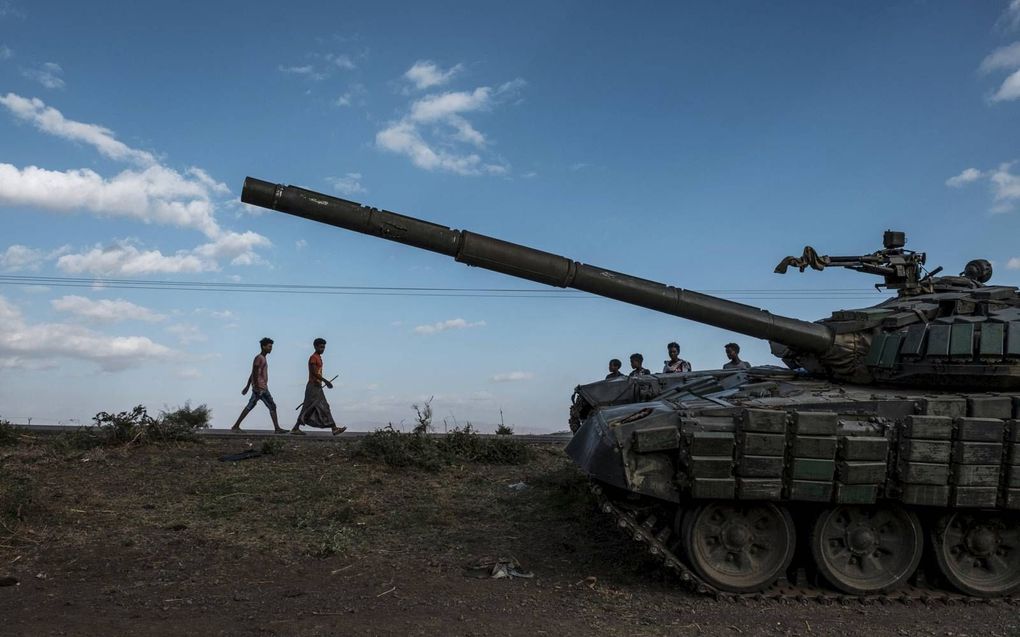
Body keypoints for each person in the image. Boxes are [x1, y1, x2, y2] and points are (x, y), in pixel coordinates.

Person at [292, 337, 346, 436]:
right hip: (313, 387)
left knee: (319, 407)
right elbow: (313, 373)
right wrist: (326, 381)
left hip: (317, 387)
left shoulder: (319, 358)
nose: (323, 349)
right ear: (315, 346)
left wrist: (322, 382)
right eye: (321, 347)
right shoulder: (313, 358)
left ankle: (333, 428)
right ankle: (333, 428)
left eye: (324, 347)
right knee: (310, 407)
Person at [232, 337, 285, 433]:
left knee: (253, 405)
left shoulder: (262, 358)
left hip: (261, 387)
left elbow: (253, 373)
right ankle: (277, 429)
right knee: (271, 406)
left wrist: (248, 386)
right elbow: (255, 372)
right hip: (261, 388)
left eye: (271, 347)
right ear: (263, 346)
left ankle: (236, 425)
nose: (271, 348)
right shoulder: (259, 358)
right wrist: (256, 387)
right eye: (269, 346)